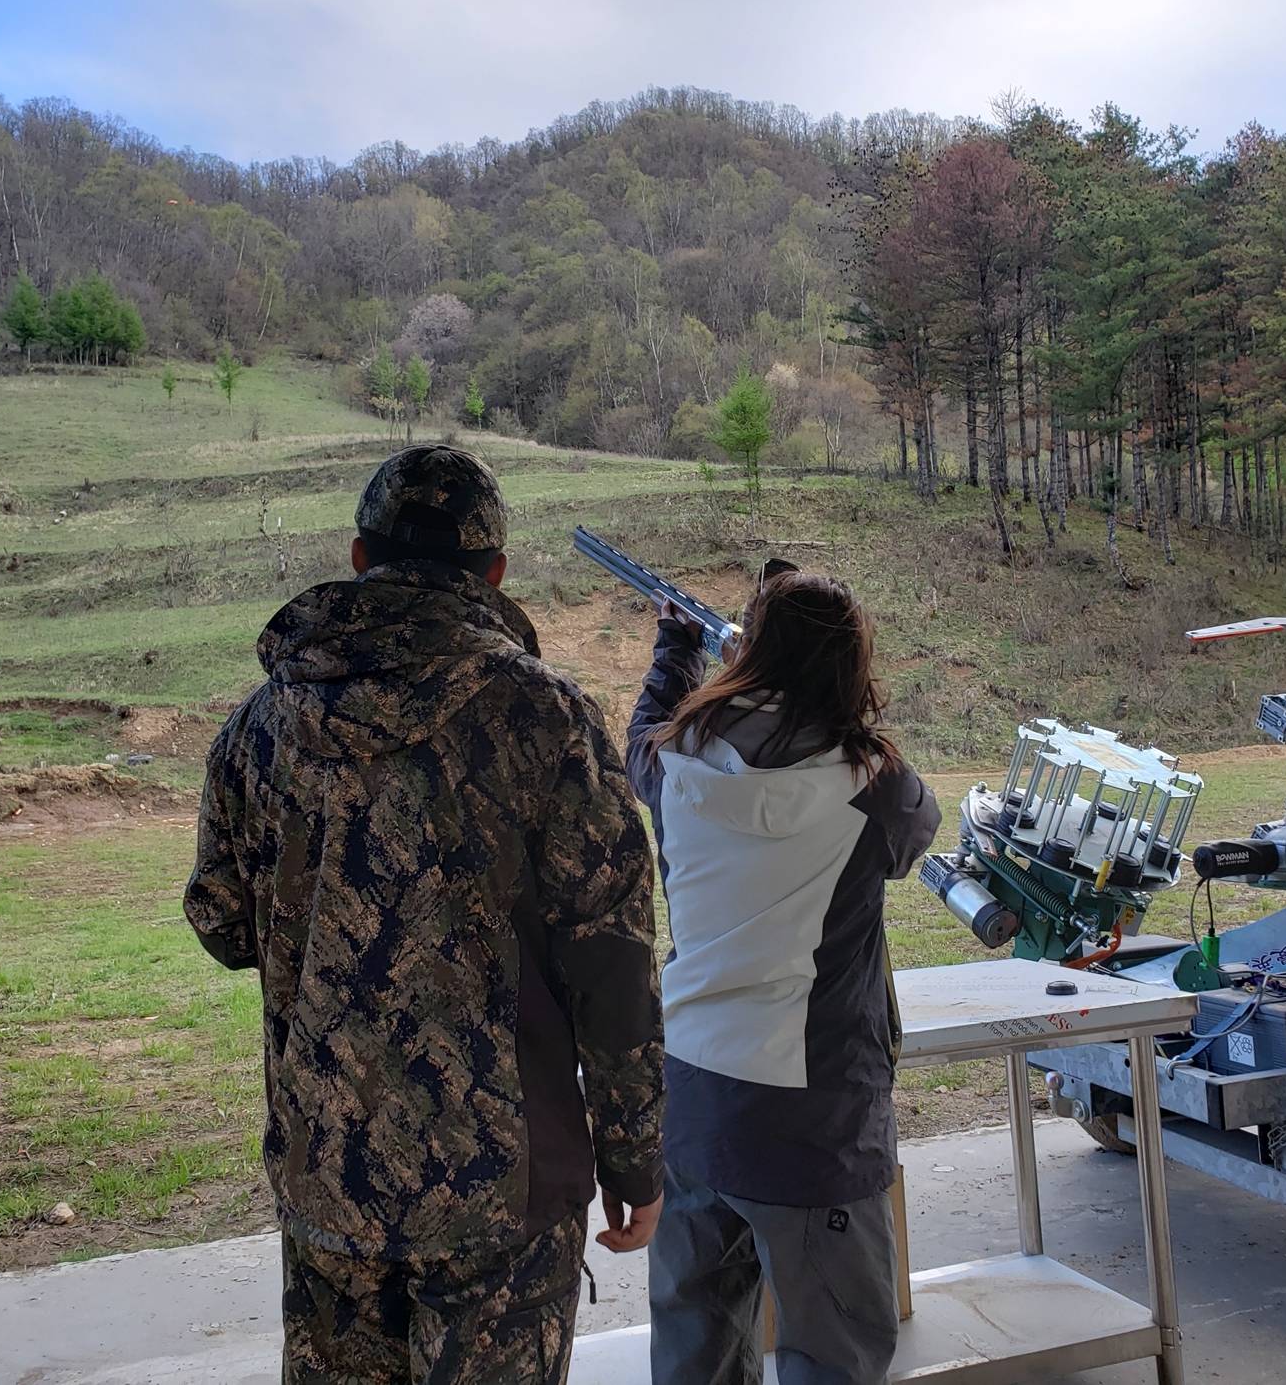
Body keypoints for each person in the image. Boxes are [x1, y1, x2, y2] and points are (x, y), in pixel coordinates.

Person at [184, 444, 665, 1385]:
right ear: (494, 576)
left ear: (360, 561)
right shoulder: (548, 720)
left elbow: (224, 926)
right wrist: (635, 1160)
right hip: (507, 1200)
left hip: (331, 1188)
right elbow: (612, 963)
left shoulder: (261, 724)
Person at [628, 571, 940, 1385]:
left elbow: (640, 737)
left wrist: (676, 650)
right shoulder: (874, 785)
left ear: (750, 651)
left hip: (694, 1095)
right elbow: (919, 830)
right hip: (812, 1118)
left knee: (695, 1350)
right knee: (833, 1352)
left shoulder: (676, 762)